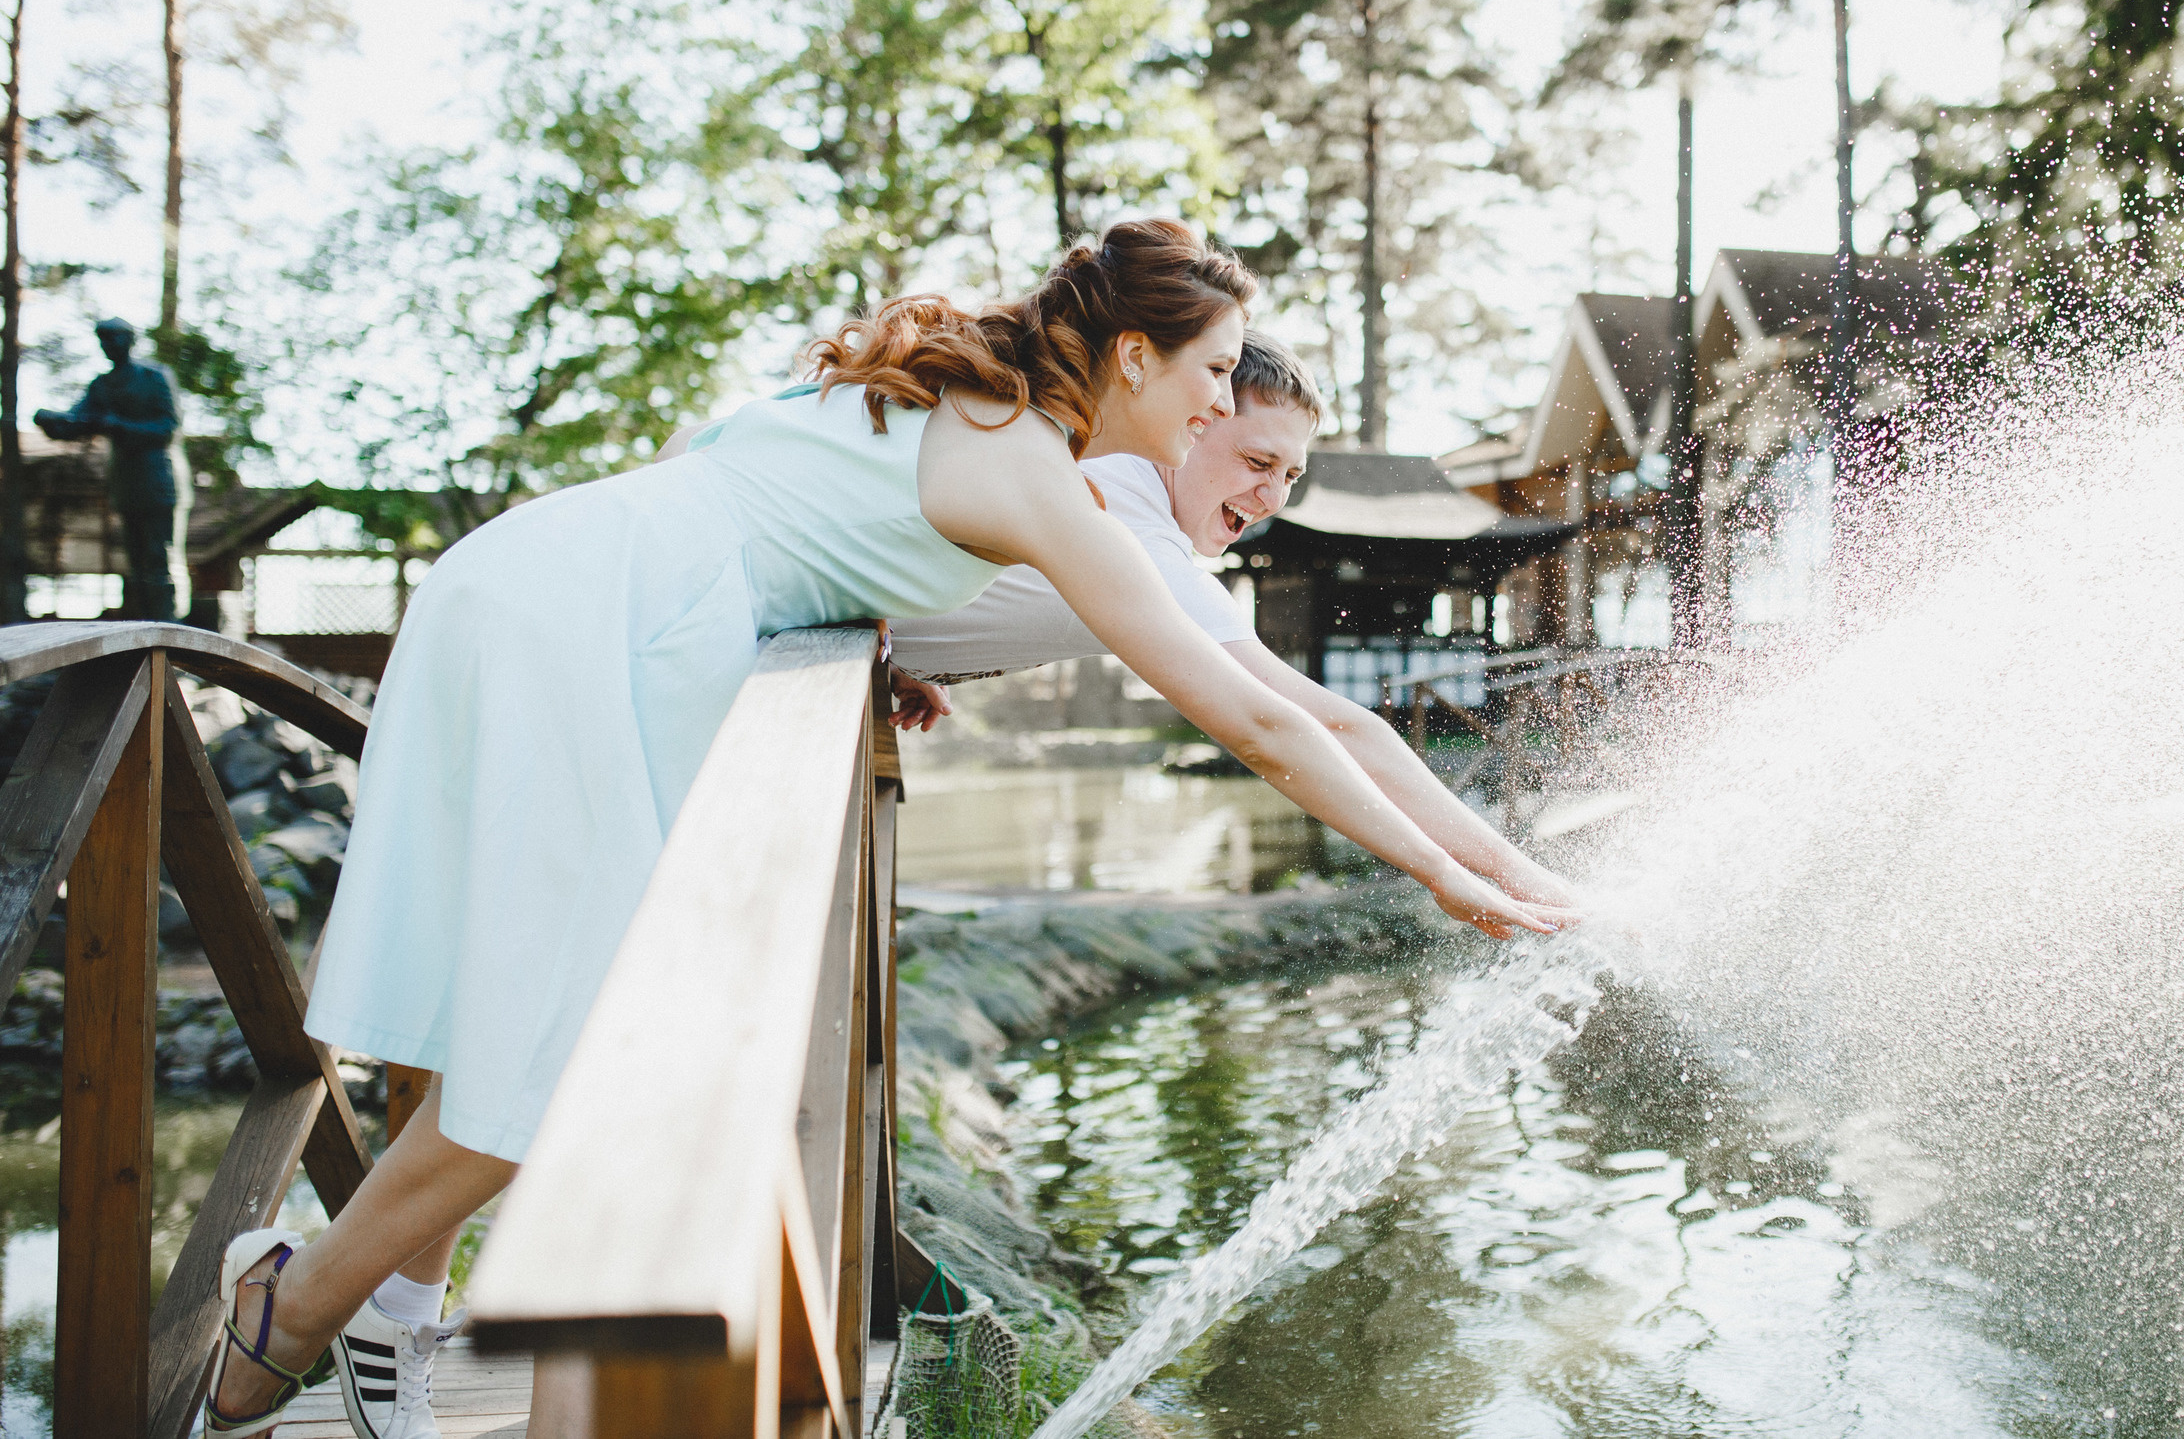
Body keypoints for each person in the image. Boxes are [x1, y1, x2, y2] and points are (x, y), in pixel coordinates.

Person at [202, 221, 1577, 1438]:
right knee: (582, 1043)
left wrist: (852, 625)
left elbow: (727, 472)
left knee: (521, 1011)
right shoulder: (1036, 470)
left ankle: (370, 1306)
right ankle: (290, 1308)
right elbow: (1265, 720)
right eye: (1219, 372)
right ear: (1142, 357)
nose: (1228, 398)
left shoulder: (951, 391)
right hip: (594, 629)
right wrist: (1448, 875)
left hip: (537, 575)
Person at [885, 328, 1577, 908]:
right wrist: (1471, 875)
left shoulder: (1101, 472)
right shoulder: (1134, 533)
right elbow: (1305, 726)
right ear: (1194, 419)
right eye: (1257, 460)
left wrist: (901, 652)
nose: (1271, 495)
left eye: (1291, 474)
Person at [34, 316, 191, 621]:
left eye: (114, 338)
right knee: (136, 563)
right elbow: (79, 420)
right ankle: (148, 630)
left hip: (160, 479)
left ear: (130, 340)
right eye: (103, 339)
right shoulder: (102, 385)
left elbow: (168, 428)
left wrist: (119, 426)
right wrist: (53, 422)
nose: (108, 345)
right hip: (127, 483)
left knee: (161, 558)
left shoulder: (155, 377)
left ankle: (172, 630)